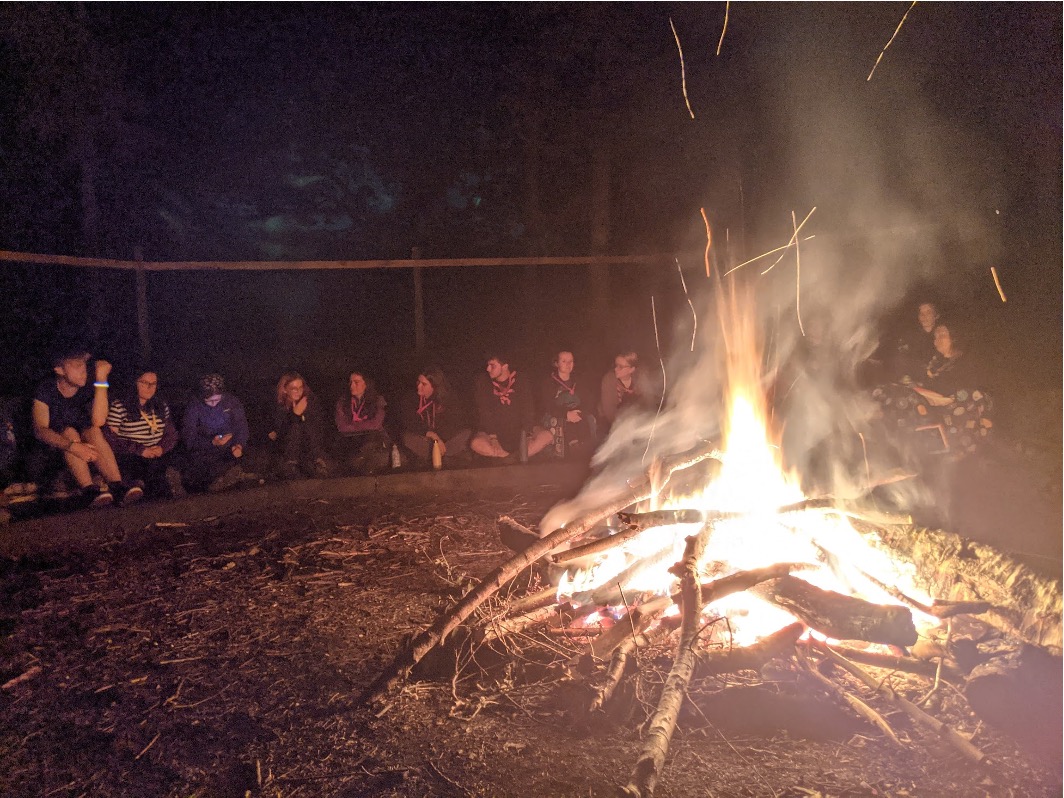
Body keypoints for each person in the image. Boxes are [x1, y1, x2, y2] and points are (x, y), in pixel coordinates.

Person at [27, 347, 142, 507]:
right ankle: (88, 490)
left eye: (84, 365)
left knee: (93, 431)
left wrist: (101, 381)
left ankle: (117, 486)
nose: (83, 371)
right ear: (59, 369)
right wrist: (73, 446)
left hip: (85, 446)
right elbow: (40, 430)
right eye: (76, 366)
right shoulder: (46, 389)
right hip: (53, 448)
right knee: (69, 432)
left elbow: (98, 421)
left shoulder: (87, 387)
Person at [873, 320, 992, 457]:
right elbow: (926, 382)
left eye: (942, 335)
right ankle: (881, 430)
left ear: (954, 338)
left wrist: (927, 392)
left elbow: (963, 390)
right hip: (932, 403)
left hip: (954, 407)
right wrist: (915, 385)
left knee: (903, 396)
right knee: (892, 391)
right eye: (935, 337)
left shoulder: (965, 361)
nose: (937, 340)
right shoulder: (935, 363)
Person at [103, 367, 184, 498]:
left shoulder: (160, 406)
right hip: (131, 455)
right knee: (145, 470)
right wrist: (140, 450)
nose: (150, 387)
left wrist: (162, 448)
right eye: (145, 383)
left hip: (155, 453)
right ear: (134, 383)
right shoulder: (119, 407)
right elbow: (111, 439)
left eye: (153, 383)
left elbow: (171, 434)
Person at [470, 352, 552, 462]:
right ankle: (507, 457)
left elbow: (528, 409)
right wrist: (493, 437)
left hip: (520, 431)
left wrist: (527, 434)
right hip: (496, 432)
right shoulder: (483, 382)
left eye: (492, 366)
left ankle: (519, 455)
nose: (488, 369)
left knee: (546, 436)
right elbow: (484, 413)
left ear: (505, 366)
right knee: (476, 443)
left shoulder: (521, 379)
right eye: (488, 365)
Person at [180, 372, 252, 493]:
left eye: (217, 400)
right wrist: (212, 442)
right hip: (205, 448)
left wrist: (239, 444)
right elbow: (189, 438)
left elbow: (241, 425)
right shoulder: (194, 406)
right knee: (199, 466)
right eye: (209, 401)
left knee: (244, 458)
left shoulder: (231, 402)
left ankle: (228, 478)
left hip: (230, 446)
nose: (214, 404)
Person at [400, 367, 471, 468]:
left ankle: (446, 456)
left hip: (445, 442)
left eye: (424, 384)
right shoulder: (410, 398)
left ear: (435, 386)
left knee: (466, 434)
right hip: (426, 440)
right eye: (418, 382)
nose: (419, 386)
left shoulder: (448, 399)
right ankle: (432, 457)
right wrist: (433, 436)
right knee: (408, 438)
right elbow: (410, 423)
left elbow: (455, 424)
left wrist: (440, 440)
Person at [268, 372, 330, 480]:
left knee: (306, 426)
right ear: (285, 390)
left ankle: (319, 463)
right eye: (294, 389)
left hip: (309, 448)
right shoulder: (279, 406)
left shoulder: (310, 402)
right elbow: (280, 432)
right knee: (295, 427)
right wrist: (294, 415)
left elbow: (319, 427)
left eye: (300, 387)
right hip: (287, 450)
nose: (298, 391)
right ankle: (291, 465)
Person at [539, 349, 596, 460]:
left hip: (577, 413)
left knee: (586, 420)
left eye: (571, 361)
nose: (568, 364)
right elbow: (548, 406)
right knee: (567, 423)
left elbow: (589, 401)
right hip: (557, 415)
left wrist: (580, 413)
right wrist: (566, 414)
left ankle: (587, 451)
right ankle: (574, 449)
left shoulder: (579, 381)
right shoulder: (548, 383)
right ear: (556, 363)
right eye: (564, 361)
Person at [333, 369, 392, 474]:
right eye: (350, 382)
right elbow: (342, 427)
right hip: (350, 440)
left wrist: (352, 425)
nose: (352, 386)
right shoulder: (342, 402)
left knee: (371, 441)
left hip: (372, 440)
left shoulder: (378, 400)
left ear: (366, 384)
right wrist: (363, 426)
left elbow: (376, 424)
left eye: (356, 382)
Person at [598, 350, 653, 436]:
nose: (616, 369)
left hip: (635, 421)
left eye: (620, 367)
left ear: (631, 369)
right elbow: (609, 411)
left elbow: (647, 401)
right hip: (611, 423)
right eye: (616, 365)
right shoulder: (609, 380)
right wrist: (623, 427)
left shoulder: (639, 378)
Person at [893, 301, 941, 383]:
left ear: (936, 316)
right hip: (912, 379)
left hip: (935, 379)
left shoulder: (942, 336)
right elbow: (902, 358)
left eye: (928, 312)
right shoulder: (910, 336)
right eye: (921, 313)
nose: (924, 316)